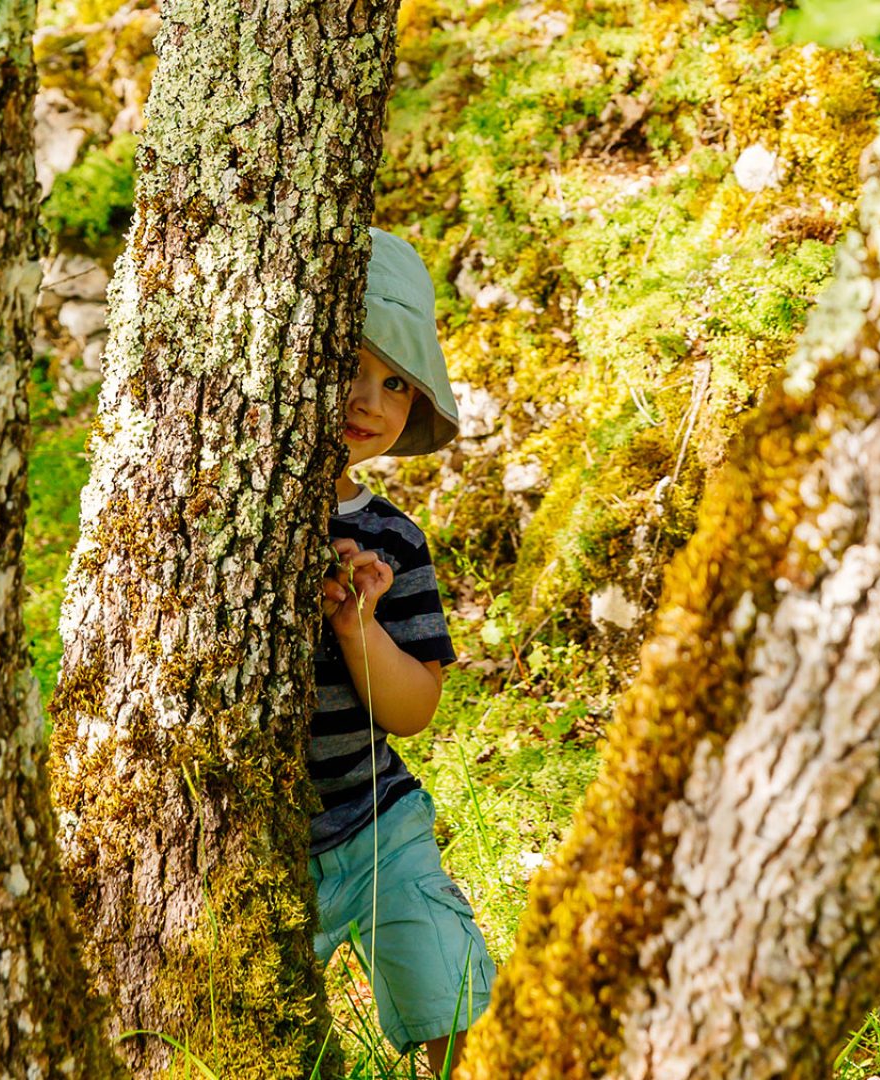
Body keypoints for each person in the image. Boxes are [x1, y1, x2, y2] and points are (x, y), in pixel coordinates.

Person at [310, 227, 494, 1076]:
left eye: (396, 382)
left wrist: (360, 628)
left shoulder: (391, 540)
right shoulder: (230, 500)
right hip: (266, 844)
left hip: (380, 826)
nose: (369, 399)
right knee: (261, 1032)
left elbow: (416, 709)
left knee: (457, 1014)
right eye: (350, 362)